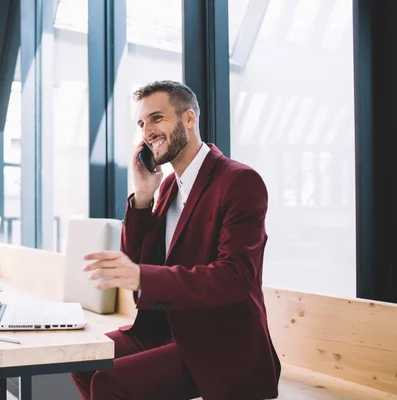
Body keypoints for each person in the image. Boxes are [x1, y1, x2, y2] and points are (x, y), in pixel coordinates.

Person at [71, 80, 281, 399]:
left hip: (220, 345)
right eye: (142, 123)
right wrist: (143, 195)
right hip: (167, 331)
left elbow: (235, 278)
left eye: (157, 118)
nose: (147, 131)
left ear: (188, 119)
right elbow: (140, 263)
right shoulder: (169, 186)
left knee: (110, 383)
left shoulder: (239, 181)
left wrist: (142, 276)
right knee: (82, 358)